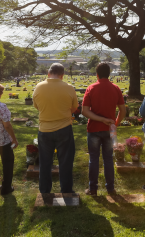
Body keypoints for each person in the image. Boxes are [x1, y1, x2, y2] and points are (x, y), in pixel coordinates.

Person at [32, 63, 79, 194]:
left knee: (45, 163)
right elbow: (74, 108)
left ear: (48, 73)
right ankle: (66, 190)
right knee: (65, 162)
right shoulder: (69, 88)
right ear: (62, 75)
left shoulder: (38, 87)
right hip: (64, 128)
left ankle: (45, 190)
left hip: (44, 129)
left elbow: (37, 107)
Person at [81, 63, 126, 196]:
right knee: (108, 159)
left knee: (93, 159)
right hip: (108, 130)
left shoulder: (91, 88)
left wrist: (100, 119)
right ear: (110, 74)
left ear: (97, 74)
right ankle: (110, 188)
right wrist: (115, 123)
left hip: (94, 129)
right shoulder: (115, 88)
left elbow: (84, 111)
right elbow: (123, 110)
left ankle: (93, 189)